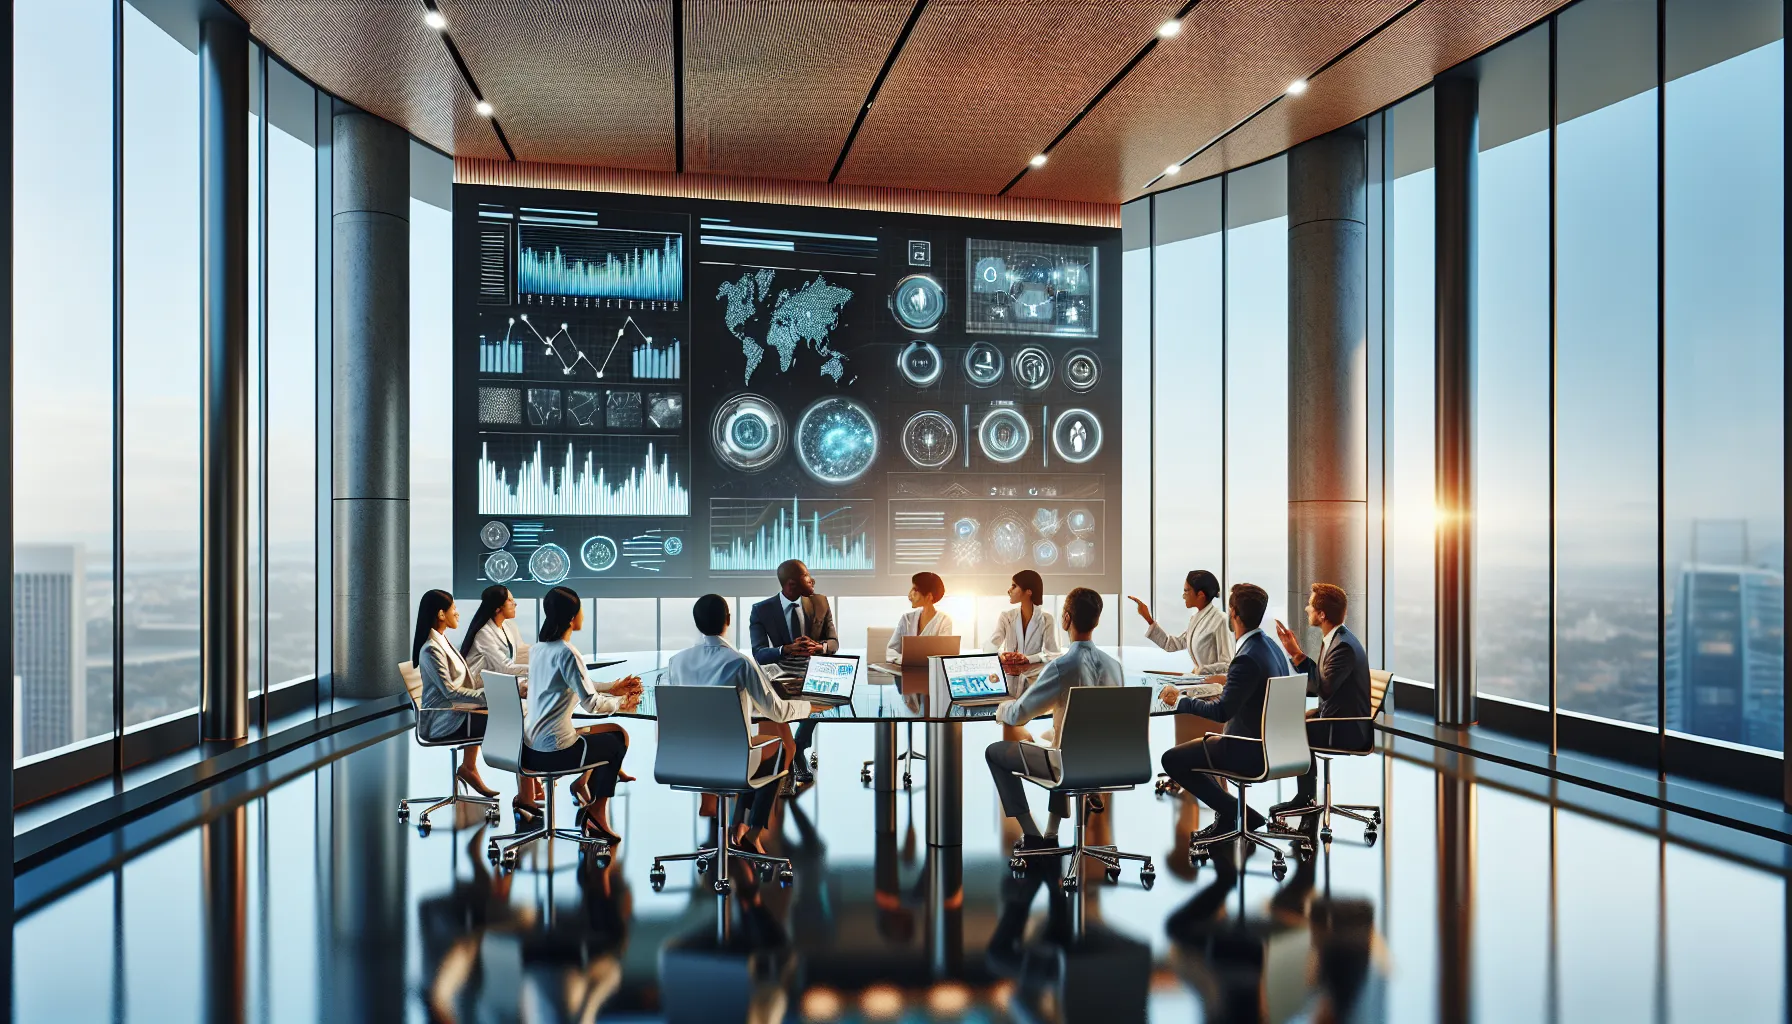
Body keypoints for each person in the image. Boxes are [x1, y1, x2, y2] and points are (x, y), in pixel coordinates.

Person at [668, 594, 814, 859]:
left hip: (685, 760)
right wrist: (808, 707)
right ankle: (752, 832)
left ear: (697, 623)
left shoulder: (676, 662)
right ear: (728, 620)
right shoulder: (739, 662)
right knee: (781, 749)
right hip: (732, 760)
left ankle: (738, 823)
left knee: (753, 751)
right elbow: (777, 712)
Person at [983, 588, 1124, 847]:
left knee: (995, 752)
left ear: (1066, 618)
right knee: (1061, 740)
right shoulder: (1115, 667)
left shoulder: (1061, 667)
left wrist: (1002, 707)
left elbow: (1018, 716)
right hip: (1112, 764)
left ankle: (1031, 833)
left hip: (1069, 765)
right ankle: (1051, 832)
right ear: (1096, 621)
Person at [1155, 583, 1292, 843]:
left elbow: (1220, 712)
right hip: (1274, 745)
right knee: (1197, 752)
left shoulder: (1246, 658)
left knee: (1172, 760)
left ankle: (1237, 814)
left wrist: (1181, 701)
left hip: (1247, 750)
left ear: (1234, 614)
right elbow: (1251, 690)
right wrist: (1226, 682)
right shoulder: (1271, 648)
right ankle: (1233, 815)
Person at [524, 586, 644, 844]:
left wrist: (613, 687)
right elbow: (591, 704)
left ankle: (585, 786)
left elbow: (574, 683)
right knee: (615, 744)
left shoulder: (540, 650)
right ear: (571, 618)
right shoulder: (567, 652)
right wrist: (623, 702)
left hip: (531, 748)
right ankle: (596, 814)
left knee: (617, 732)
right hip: (556, 751)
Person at [1268, 583, 1372, 819]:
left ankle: (1305, 797)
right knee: (1294, 722)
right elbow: (1325, 687)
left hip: (1347, 729)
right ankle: (1305, 795)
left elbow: (1323, 689)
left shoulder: (1343, 647)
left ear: (1322, 614)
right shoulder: (1337, 639)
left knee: (1293, 730)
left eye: (1310, 605)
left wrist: (1296, 654)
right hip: (1338, 718)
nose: (1307, 609)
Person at [748, 559, 839, 785]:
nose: (812, 580)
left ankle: (798, 747)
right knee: (773, 702)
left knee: (822, 701)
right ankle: (785, 756)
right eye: (807, 576)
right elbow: (759, 653)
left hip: (814, 671)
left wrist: (819, 647)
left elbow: (833, 642)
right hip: (781, 671)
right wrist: (785, 649)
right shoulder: (761, 610)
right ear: (791, 584)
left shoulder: (820, 602)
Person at [459, 584, 544, 817]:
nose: (515, 604)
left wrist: (545, 653)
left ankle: (530, 784)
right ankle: (530, 785)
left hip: (497, 684)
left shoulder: (508, 626)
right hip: (481, 690)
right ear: (498, 608)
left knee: (531, 704)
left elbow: (520, 652)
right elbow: (504, 667)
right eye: (510, 601)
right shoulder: (484, 633)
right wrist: (540, 668)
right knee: (525, 715)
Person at [412, 589, 498, 796]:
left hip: (454, 710)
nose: (457, 613)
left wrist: (490, 689)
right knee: (507, 719)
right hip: (442, 719)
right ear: (441, 614)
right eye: (454, 609)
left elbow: (460, 681)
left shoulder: (442, 641)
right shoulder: (431, 649)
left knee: (500, 712)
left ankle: (469, 767)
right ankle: (527, 786)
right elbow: (451, 692)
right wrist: (489, 696)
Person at [1128, 569, 1232, 675]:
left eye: (1186, 591)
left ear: (1200, 595)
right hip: (1199, 681)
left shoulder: (1221, 620)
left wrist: (1200, 671)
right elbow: (1172, 644)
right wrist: (1148, 618)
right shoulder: (1195, 619)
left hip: (1212, 683)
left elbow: (1228, 665)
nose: (1183, 596)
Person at [988, 569, 1063, 679]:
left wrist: (1028, 659)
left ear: (1028, 591)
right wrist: (1002, 657)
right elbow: (990, 647)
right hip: (1010, 679)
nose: (1009, 590)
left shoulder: (1047, 619)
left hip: (1035, 680)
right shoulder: (1006, 617)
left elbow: (1053, 654)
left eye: (1014, 586)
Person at [886, 571, 954, 664]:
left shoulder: (944, 621)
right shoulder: (906, 618)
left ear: (929, 596)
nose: (910, 595)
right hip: (905, 670)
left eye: (915, 590)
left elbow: (944, 655)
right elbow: (891, 651)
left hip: (930, 671)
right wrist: (905, 660)